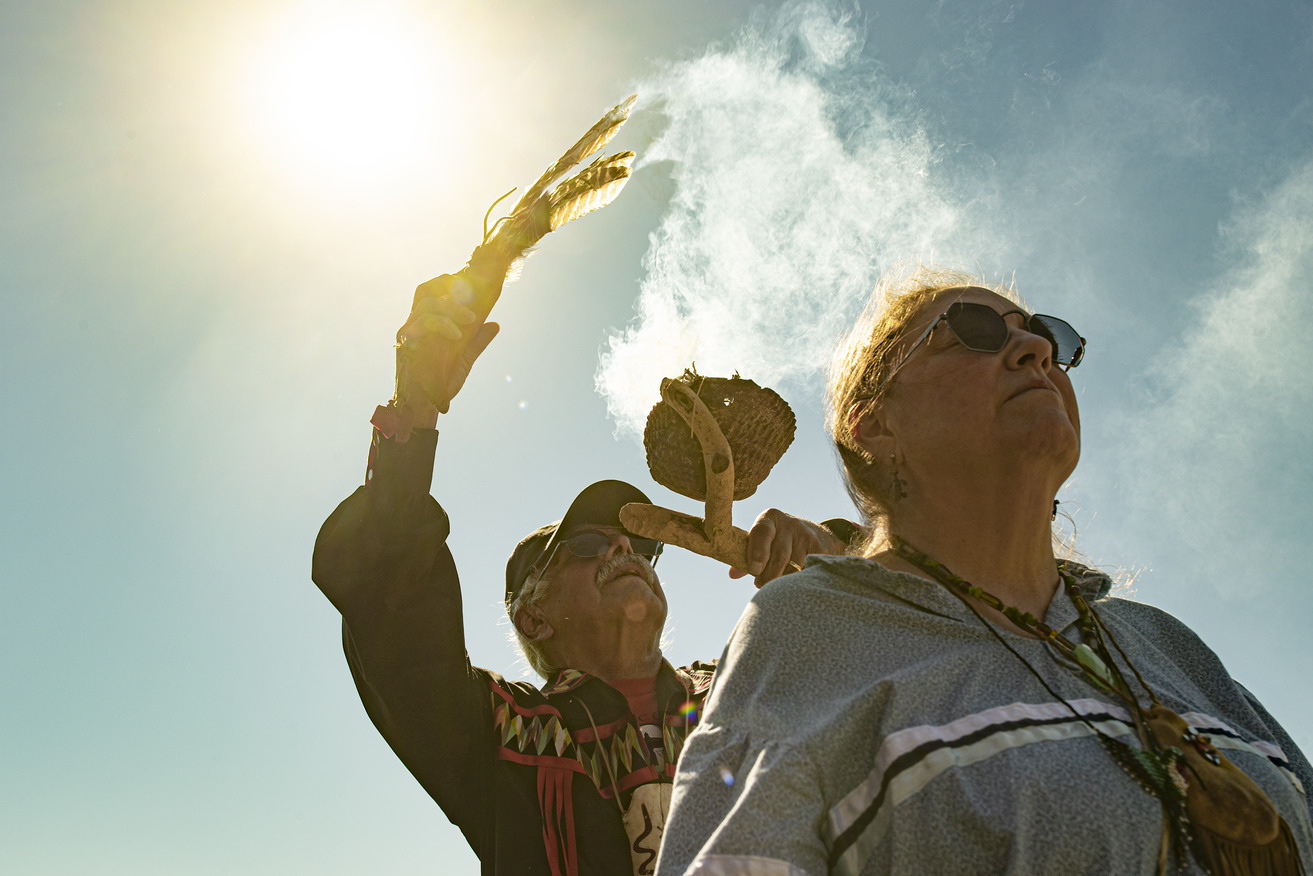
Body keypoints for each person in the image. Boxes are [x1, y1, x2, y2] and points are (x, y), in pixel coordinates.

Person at [656, 269, 1313, 876]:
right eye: (973, 330)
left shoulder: (1163, 644)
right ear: (875, 426)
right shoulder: (811, 630)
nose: (1036, 352)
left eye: (1046, 336)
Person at [310, 271, 848, 876]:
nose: (625, 548)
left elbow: (907, 658)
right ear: (532, 616)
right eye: (590, 544)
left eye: (642, 549)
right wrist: (414, 415)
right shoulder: (496, 736)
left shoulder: (741, 683)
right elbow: (391, 596)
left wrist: (833, 565)